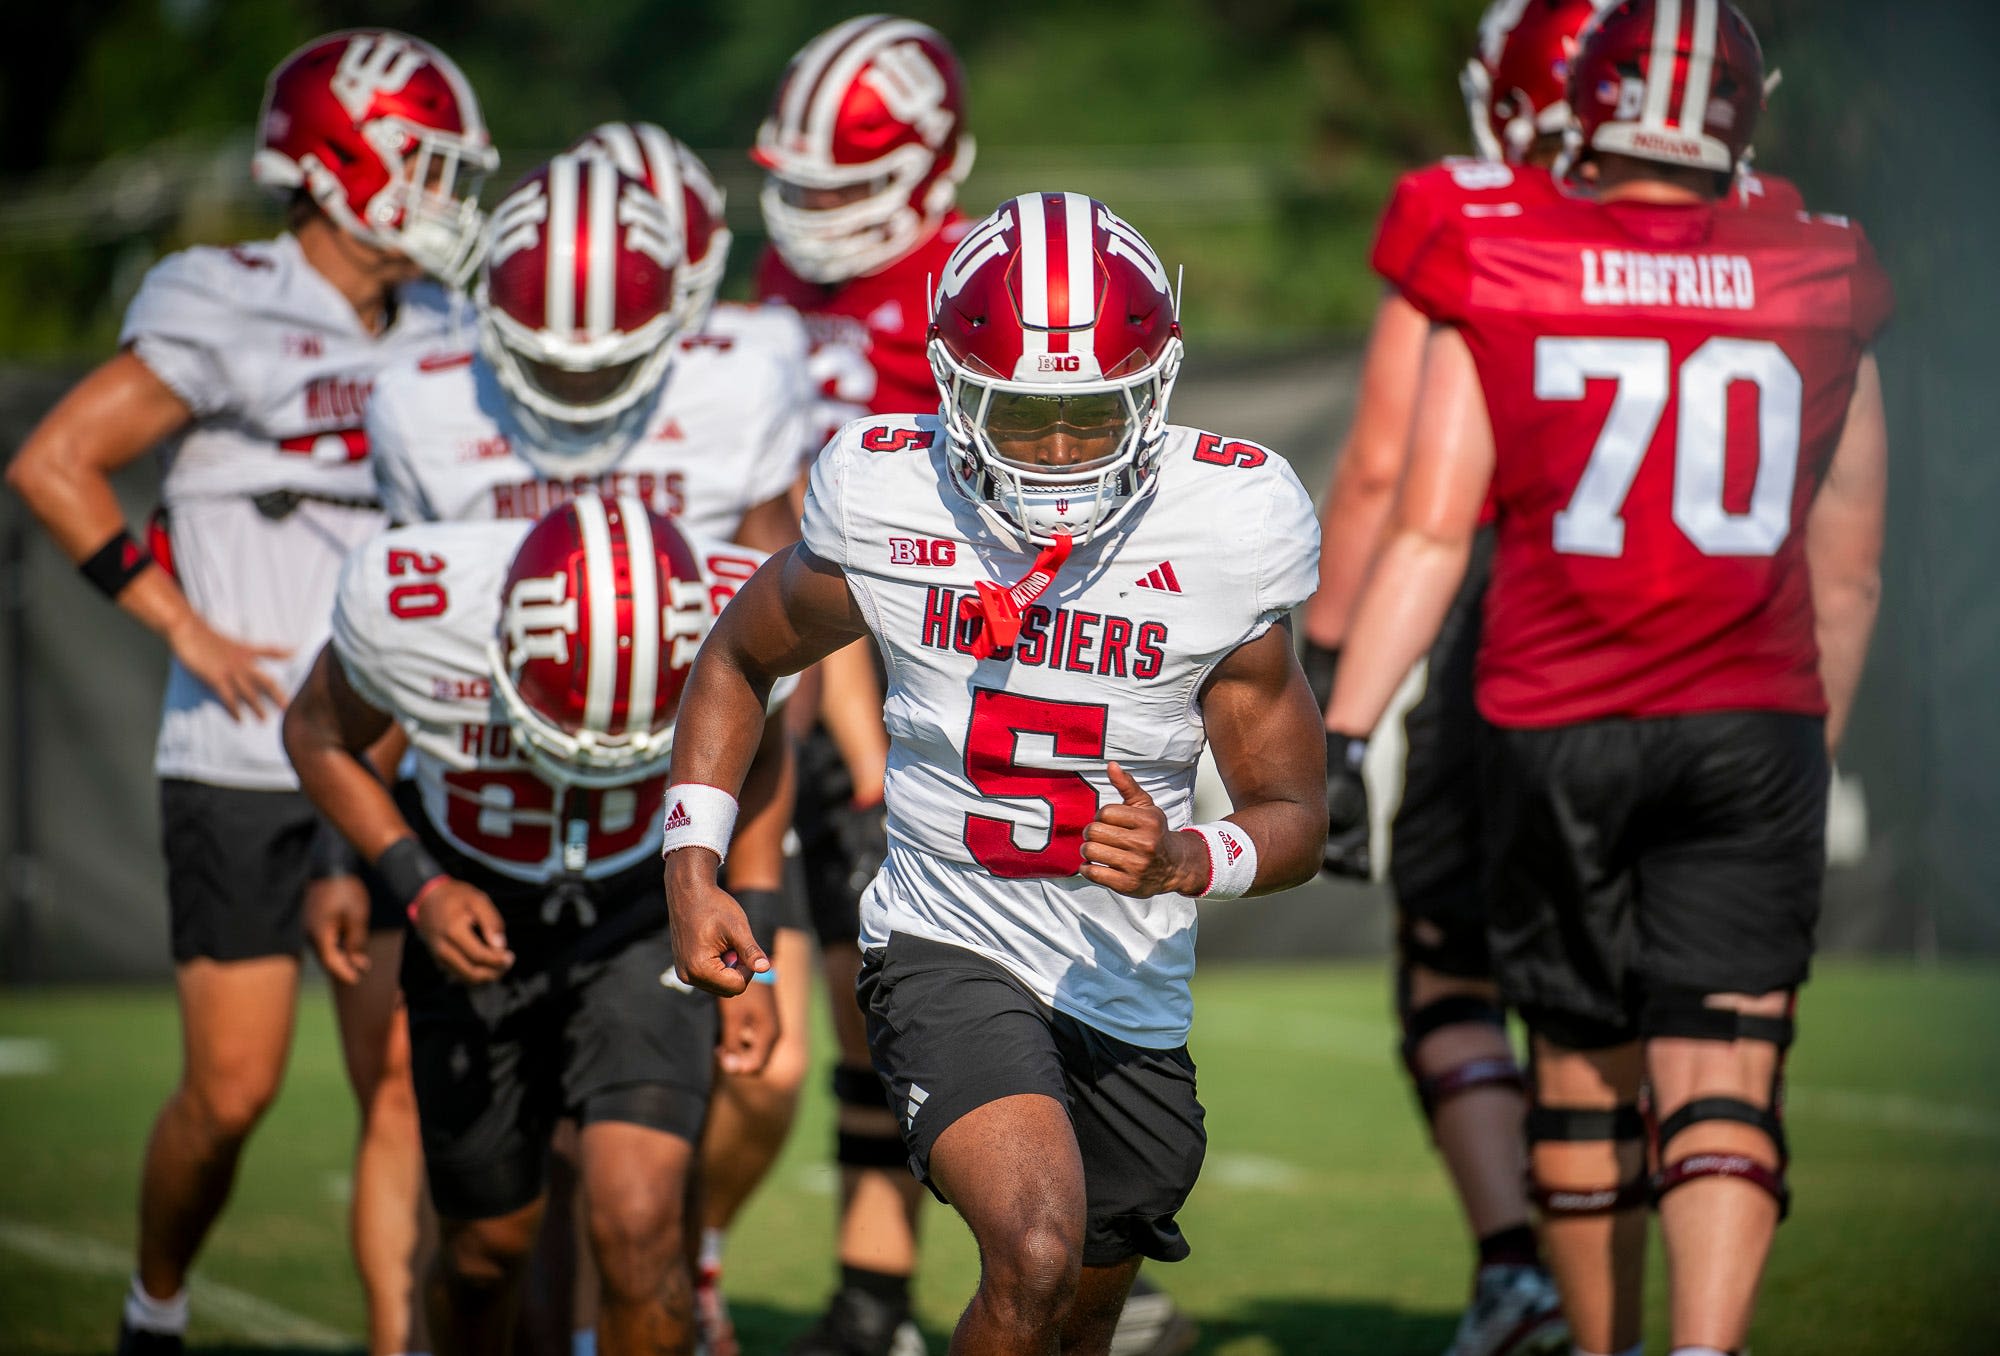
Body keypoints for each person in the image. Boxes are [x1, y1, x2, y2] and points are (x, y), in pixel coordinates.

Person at [660, 191, 1328, 1356]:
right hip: (944, 939)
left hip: (1124, 979)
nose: (1061, 451)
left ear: (1155, 390)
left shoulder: (1228, 521)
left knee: (1072, 1314)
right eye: (1023, 416)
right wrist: (690, 858)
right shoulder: (886, 489)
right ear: (954, 389)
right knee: (1031, 1250)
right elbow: (737, 654)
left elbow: (1296, 816)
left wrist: (1187, 856)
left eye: (1092, 415)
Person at [1322, 3, 1891, 1353]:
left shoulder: (1502, 253)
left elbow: (1423, 518)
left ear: (1587, 105)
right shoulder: (1821, 265)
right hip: (1752, 716)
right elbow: (1852, 565)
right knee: (1727, 1073)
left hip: (1551, 713)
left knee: (1578, 1067)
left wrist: (1342, 732)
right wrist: (1812, 748)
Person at [4, 30, 495, 1356]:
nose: (449, 195)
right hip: (238, 756)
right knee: (231, 1095)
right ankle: (154, 1305)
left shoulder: (451, 323)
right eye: (424, 164)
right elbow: (55, 462)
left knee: (401, 1081)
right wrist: (184, 624)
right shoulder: (222, 297)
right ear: (339, 163)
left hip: (390, 757)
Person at [365, 135, 815, 1356]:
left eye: (608, 364)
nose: (576, 398)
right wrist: (375, 863)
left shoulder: (740, 384)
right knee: (488, 1233)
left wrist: (752, 896)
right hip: (479, 832)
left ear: (672, 319)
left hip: (653, 851)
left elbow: (778, 666)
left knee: (634, 1214)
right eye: (548, 368)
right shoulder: (420, 398)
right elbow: (383, 668)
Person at [283, 495, 791, 1355]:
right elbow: (315, 732)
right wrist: (419, 884)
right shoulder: (417, 611)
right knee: (485, 1253)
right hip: (475, 904)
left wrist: (751, 911)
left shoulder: (734, 604)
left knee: (641, 1224)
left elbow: (767, 744)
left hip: (642, 908)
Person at [747, 17, 974, 1356]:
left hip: (955, 684)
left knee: (987, 998)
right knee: (859, 1004)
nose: (822, 218)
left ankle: (1090, 1253)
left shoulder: (977, 278)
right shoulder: (782, 272)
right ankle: (873, 1290)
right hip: (824, 676)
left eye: (853, 185)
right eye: (810, 184)